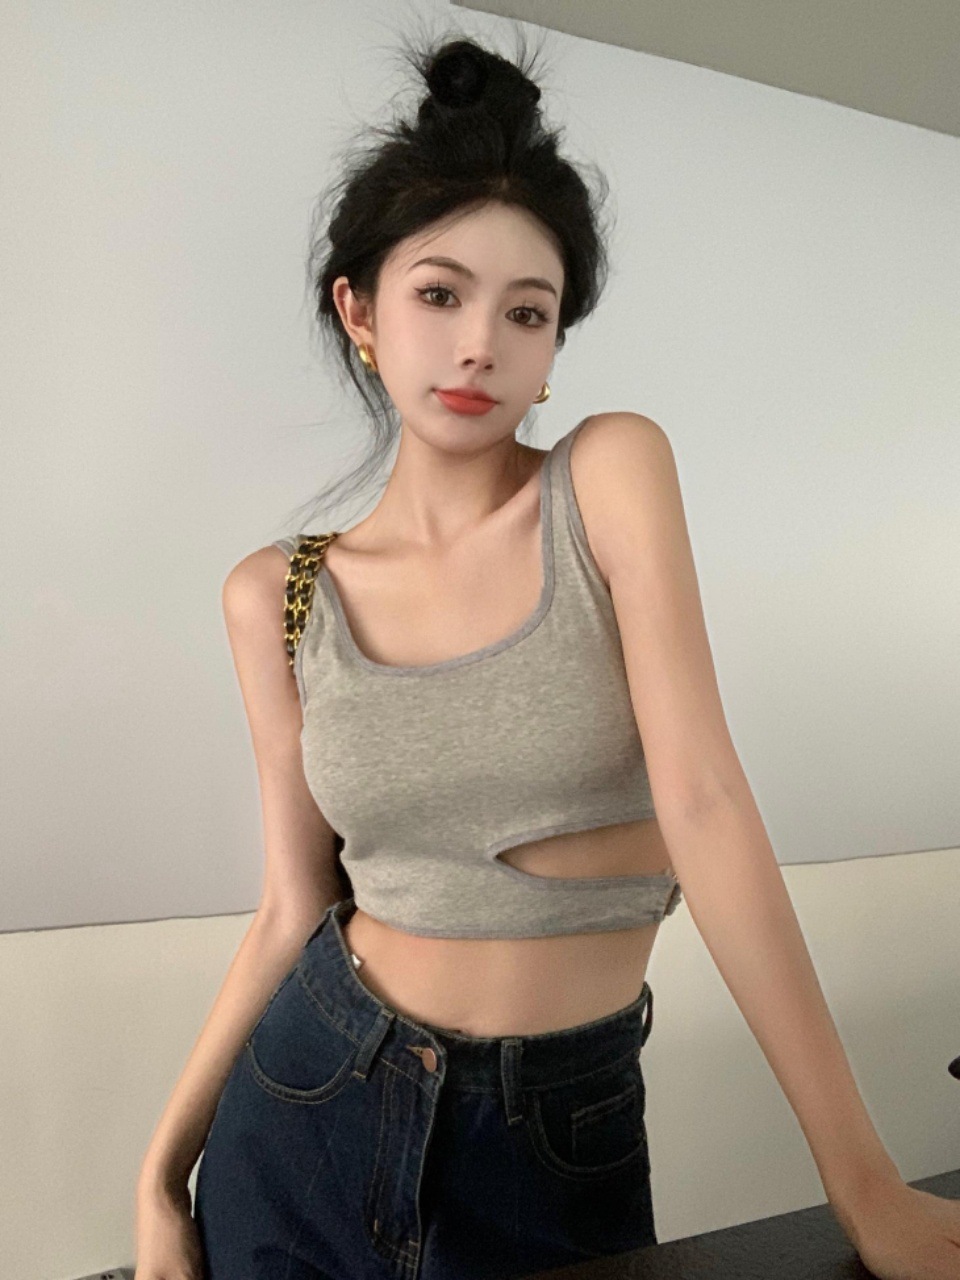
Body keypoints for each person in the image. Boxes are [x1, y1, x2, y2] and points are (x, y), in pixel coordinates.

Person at [136, 23, 948, 1280]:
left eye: (529, 310)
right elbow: (295, 902)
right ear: (359, 310)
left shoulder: (607, 477)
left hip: (555, 1132)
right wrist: (158, 1171)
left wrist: (861, 1178)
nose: (482, 343)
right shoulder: (278, 595)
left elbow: (705, 800)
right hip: (307, 1111)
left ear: (557, 344)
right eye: (439, 293)